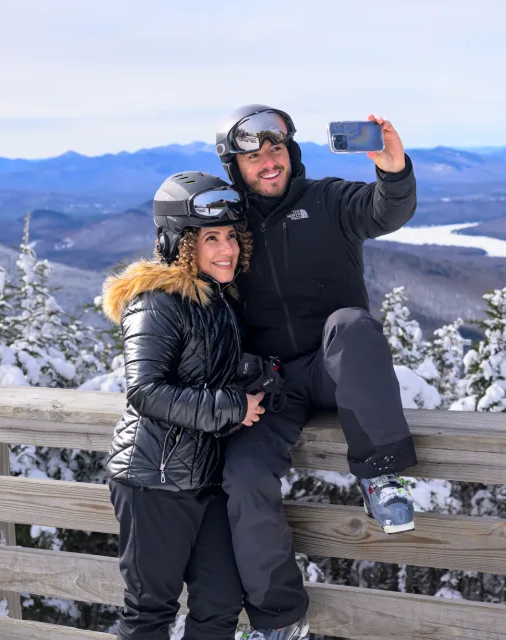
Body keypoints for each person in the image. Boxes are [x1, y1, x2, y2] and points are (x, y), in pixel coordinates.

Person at [212, 104, 419, 635]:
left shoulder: (327, 199)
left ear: (291, 152)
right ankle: (279, 620)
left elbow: (384, 211)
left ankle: (381, 477)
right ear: (236, 167)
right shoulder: (228, 226)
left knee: (353, 325)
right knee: (243, 477)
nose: (268, 162)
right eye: (254, 156)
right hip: (268, 384)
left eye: (276, 150)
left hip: (333, 368)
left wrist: (392, 169)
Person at [101, 172, 295, 639]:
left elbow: (204, 367)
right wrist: (233, 406)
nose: (226, 248)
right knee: (150, 611)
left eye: (231, 236)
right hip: (154, 481)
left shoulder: (217, 300)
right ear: (179, 242)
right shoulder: (156, 302)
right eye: (211, 238)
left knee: (220, 604)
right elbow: (145, 391)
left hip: (206, 480)